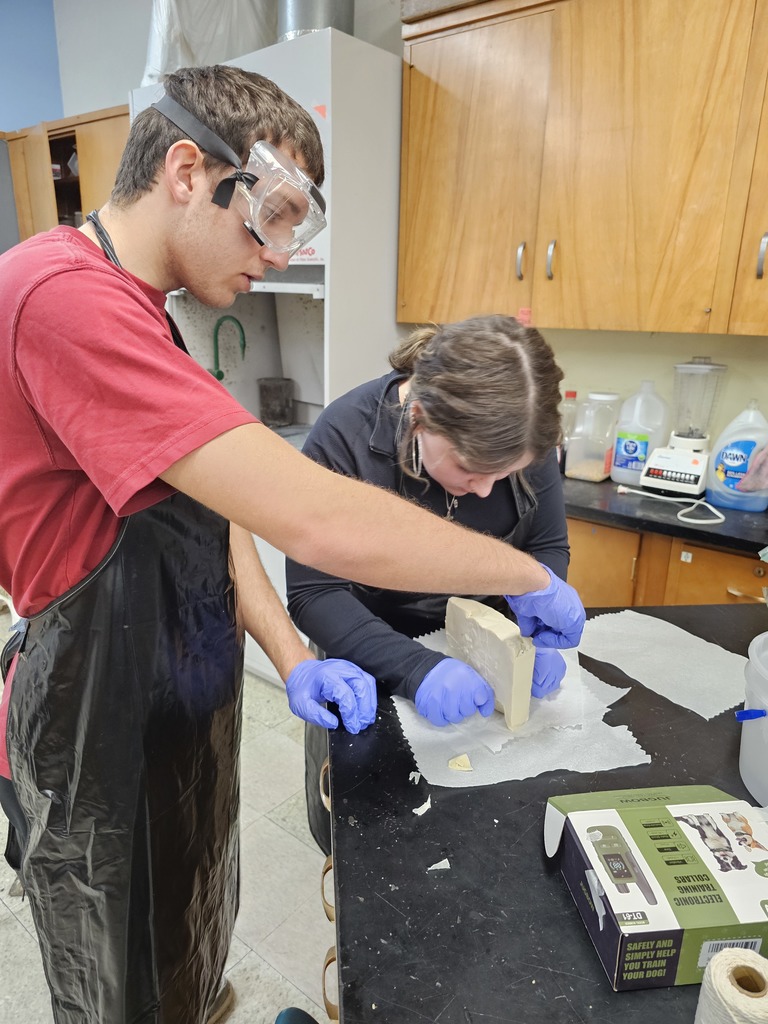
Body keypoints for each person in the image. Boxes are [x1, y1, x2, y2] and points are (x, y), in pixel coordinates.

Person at [0, 64, 584, 1024]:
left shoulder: (146, 313)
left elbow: (208, 518)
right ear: (189, 171)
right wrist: (525, 574)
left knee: (188, 932)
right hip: (94, 717)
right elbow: (313, 520)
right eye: (269, 217)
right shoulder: (63, 298)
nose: (275, 255)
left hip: (176, 697)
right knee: (119, 985)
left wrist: (286, 650)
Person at [286, 315, 570, 854]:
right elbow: (313, 593)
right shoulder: (343, 437)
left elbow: (545, 549)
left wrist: (527, 630)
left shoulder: (523, 431)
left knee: (479, 837)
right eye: (469, 468)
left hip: (487, 658)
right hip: (364, 661)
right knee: (369, 842)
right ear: (418, 418)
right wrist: (417, 668)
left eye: (505, 474)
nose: (486, 491)